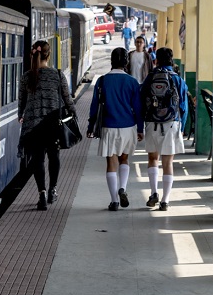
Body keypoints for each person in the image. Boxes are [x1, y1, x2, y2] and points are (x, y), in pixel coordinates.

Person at [18, 40, 76, 211]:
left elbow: (22, 102)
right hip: (52, 124)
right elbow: (67, 98)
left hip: (33, 124)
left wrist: (21, 115)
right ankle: (53, 190)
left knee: (37, 159)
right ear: (48, 55)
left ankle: (42, 193)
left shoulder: (26, 76)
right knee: (54, 156)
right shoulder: (57, 75)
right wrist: (74, 115)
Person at [87, 48, 144, 211]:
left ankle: (114, 201)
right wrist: (140, 128)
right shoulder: (132, 82)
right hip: (128, 126)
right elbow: (138, 108)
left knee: (111, 163)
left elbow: (94, 106)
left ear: (111, 61)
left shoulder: (102, 81)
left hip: (108, 127)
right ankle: (122, 188)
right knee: (124, 159)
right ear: (126, 62)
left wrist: (91, 127)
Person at [140, 47, 188, 211]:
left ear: (156, 60)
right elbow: (183, 106)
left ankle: (153, 193)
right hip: (171, 122)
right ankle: (165, 200)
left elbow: (142, 99)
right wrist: (182, 127)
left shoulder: (151, 77)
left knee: (153, 159)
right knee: (168, 162)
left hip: (152, 122)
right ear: (172, 60)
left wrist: (141, 124)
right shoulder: (177, 79)